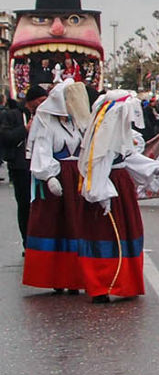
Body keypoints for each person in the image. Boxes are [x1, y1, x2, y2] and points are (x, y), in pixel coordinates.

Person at [77, 92, 159, 303]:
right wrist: (101, 194)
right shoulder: (103, 138)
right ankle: (103, 284)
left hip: (120, 186)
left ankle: (125, 281)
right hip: (109, 189)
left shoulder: (119, 135)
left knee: (127, 232)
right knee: (106, 235)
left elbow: (128, 157)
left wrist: (152, 168)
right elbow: (98, 165)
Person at [22, 79, 91, 293]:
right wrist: (49, 177)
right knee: (55, 225)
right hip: (57, 180)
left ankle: (77, 277)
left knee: (77, 226)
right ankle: (57, 277)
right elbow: (41, 150)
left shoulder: (78, 122)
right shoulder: (46, 121)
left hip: (76, 181)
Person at [1, 85, 46, 247]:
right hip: (21, 167)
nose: (43, 104)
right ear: (31, 101)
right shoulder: (13, 115)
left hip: (41, 166)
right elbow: (5, 137)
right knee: (25, 204)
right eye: (40, 101)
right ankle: (27, 241)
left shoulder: (45, 115)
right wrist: (25, 130)